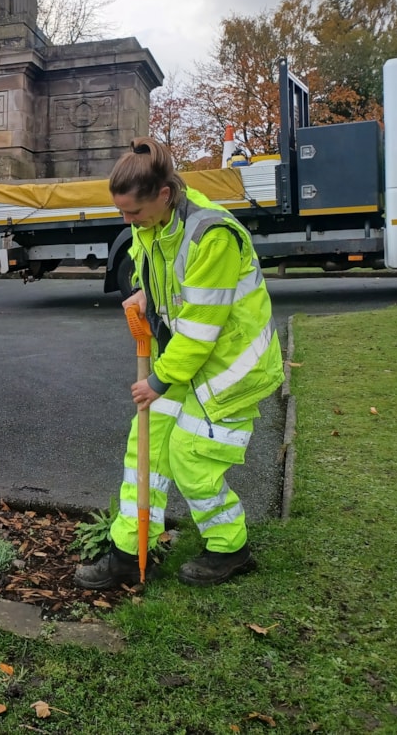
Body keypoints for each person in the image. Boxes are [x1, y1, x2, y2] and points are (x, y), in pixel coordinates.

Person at [74, 139, 284, 589]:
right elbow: (174, 283)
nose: (126, 222)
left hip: (228, 370)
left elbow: (201, 328)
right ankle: (129, 551)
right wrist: (146, 294)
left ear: (164, 195)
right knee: (144, 448)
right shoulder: (155, 227)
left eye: (132, 213)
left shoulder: (212, 235)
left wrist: (157, 381)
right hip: (186, 361)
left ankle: (230, 548)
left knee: (191, 458)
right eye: (122, 213)